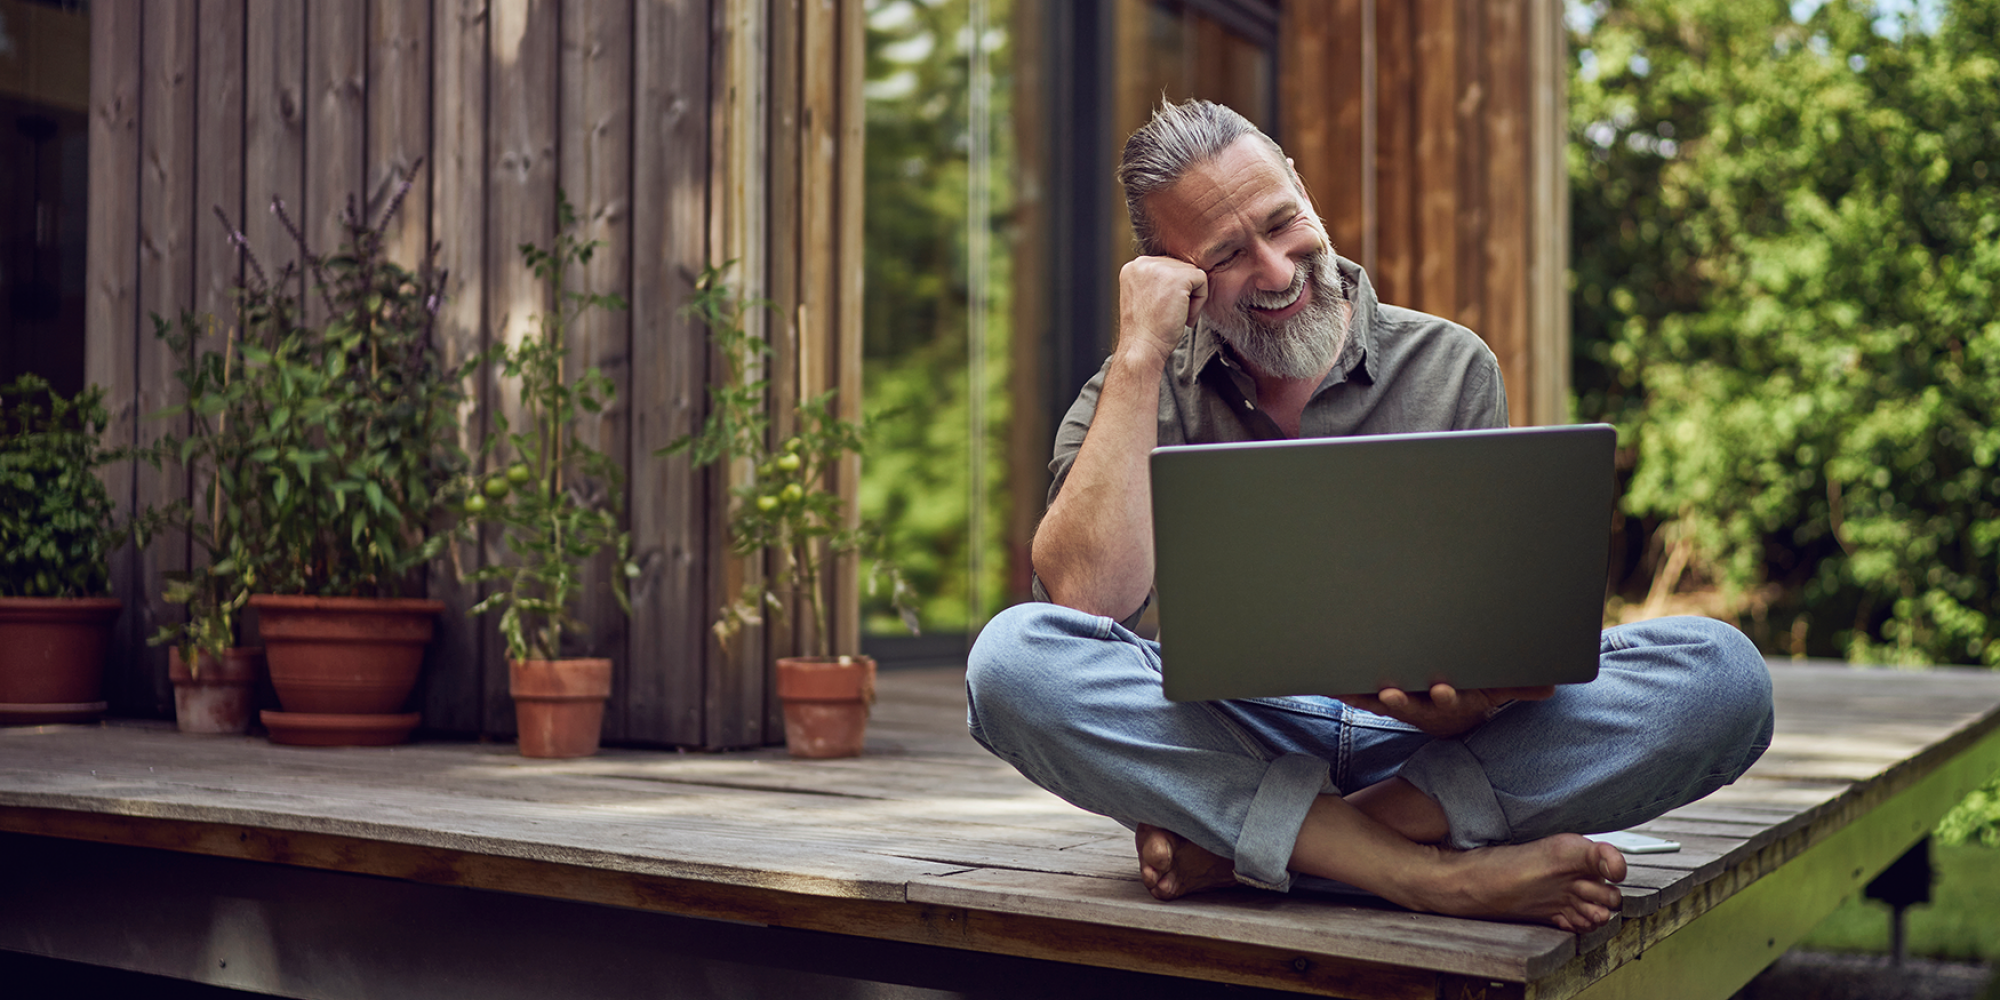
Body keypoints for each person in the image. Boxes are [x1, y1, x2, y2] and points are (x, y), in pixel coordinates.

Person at [964, 99, 1774, 933]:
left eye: (1284, 223)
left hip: (1428, 753)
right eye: (1228, 255)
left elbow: (1487, 629)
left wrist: (1472, 705)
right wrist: (1139, 354)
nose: (1277, 270)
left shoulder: (1450, 362)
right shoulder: (1128, 394)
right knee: (1011, 661)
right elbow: (1087, 608)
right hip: (1232, 735)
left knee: (1720, 677)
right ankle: (1428, 877)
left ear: (1305, 191)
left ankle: (1291, 846)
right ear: (1173, 272)